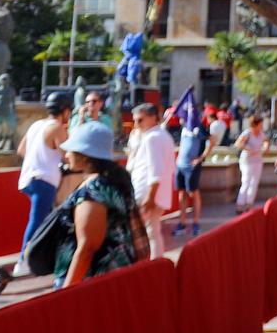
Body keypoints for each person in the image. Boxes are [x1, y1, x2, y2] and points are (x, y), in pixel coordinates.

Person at [54, 122, 140, 286]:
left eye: (71, 150)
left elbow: (87, 248)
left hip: (95, 281)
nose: (66, 155)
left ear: (84, 155)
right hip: (118, 273)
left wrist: (65, 293)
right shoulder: (117, 180)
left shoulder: (93, 191)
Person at [15, 92, 72, 271]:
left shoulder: (36, 125)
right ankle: (23, 261)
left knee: (47, 220)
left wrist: (40, 157)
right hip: (44, 180)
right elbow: (68, 156)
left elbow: (21, 149)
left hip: (28, 179)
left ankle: (47, 257)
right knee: (38, 219)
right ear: (65, 111)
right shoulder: (57, 128)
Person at [126, 102, 177, 261]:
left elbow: (156, 170)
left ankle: (148, 267)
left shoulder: (152, 138)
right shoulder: (163, 136)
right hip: (155, 193)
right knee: (153, 232)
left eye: (140, 120)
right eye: (135, 120)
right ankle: (155, 266)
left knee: (142, 233)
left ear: (153, 117)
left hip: (146, 193)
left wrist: (150, 197)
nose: (136, 125)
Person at [175, 116, 209, 237]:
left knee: (193, 193)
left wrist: (200, 159)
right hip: (180, 165)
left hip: (192, 167)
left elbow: (211, 141)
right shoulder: (183, 128)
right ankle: (182, 222)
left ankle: (196, 222)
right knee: (182, 193)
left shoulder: (199, 128)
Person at [235, 113, 268, 207]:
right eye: (261, 124)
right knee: (246, 181)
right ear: (256, 124)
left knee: (254, 182)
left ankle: (249, 203)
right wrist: (250, 149)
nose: (262, 125)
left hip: (258, 160)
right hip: (247, 161)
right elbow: (238, 143)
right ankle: (240, 203)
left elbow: (266, 141)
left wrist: (265, 147)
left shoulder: (261, 133)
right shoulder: (247, 133)